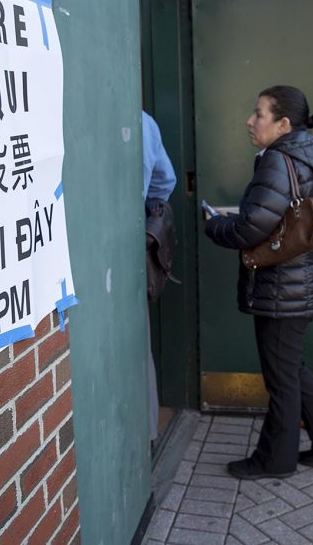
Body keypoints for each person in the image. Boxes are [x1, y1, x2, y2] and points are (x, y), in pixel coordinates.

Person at [204, 86, 313, 479]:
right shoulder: (305, 156)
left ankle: (275, 460)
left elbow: (252, 227)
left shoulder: (277, 160)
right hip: (297, 283)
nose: (250, 121)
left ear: (283, 124)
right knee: (291, 370)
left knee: (281, 379)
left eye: (259, 114)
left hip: (282, 289)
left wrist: (214, 225)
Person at [142, 111, 176, 443]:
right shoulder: (143, 121)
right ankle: (148, 433)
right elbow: (165, 181)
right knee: (138, 343)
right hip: (131, 252)